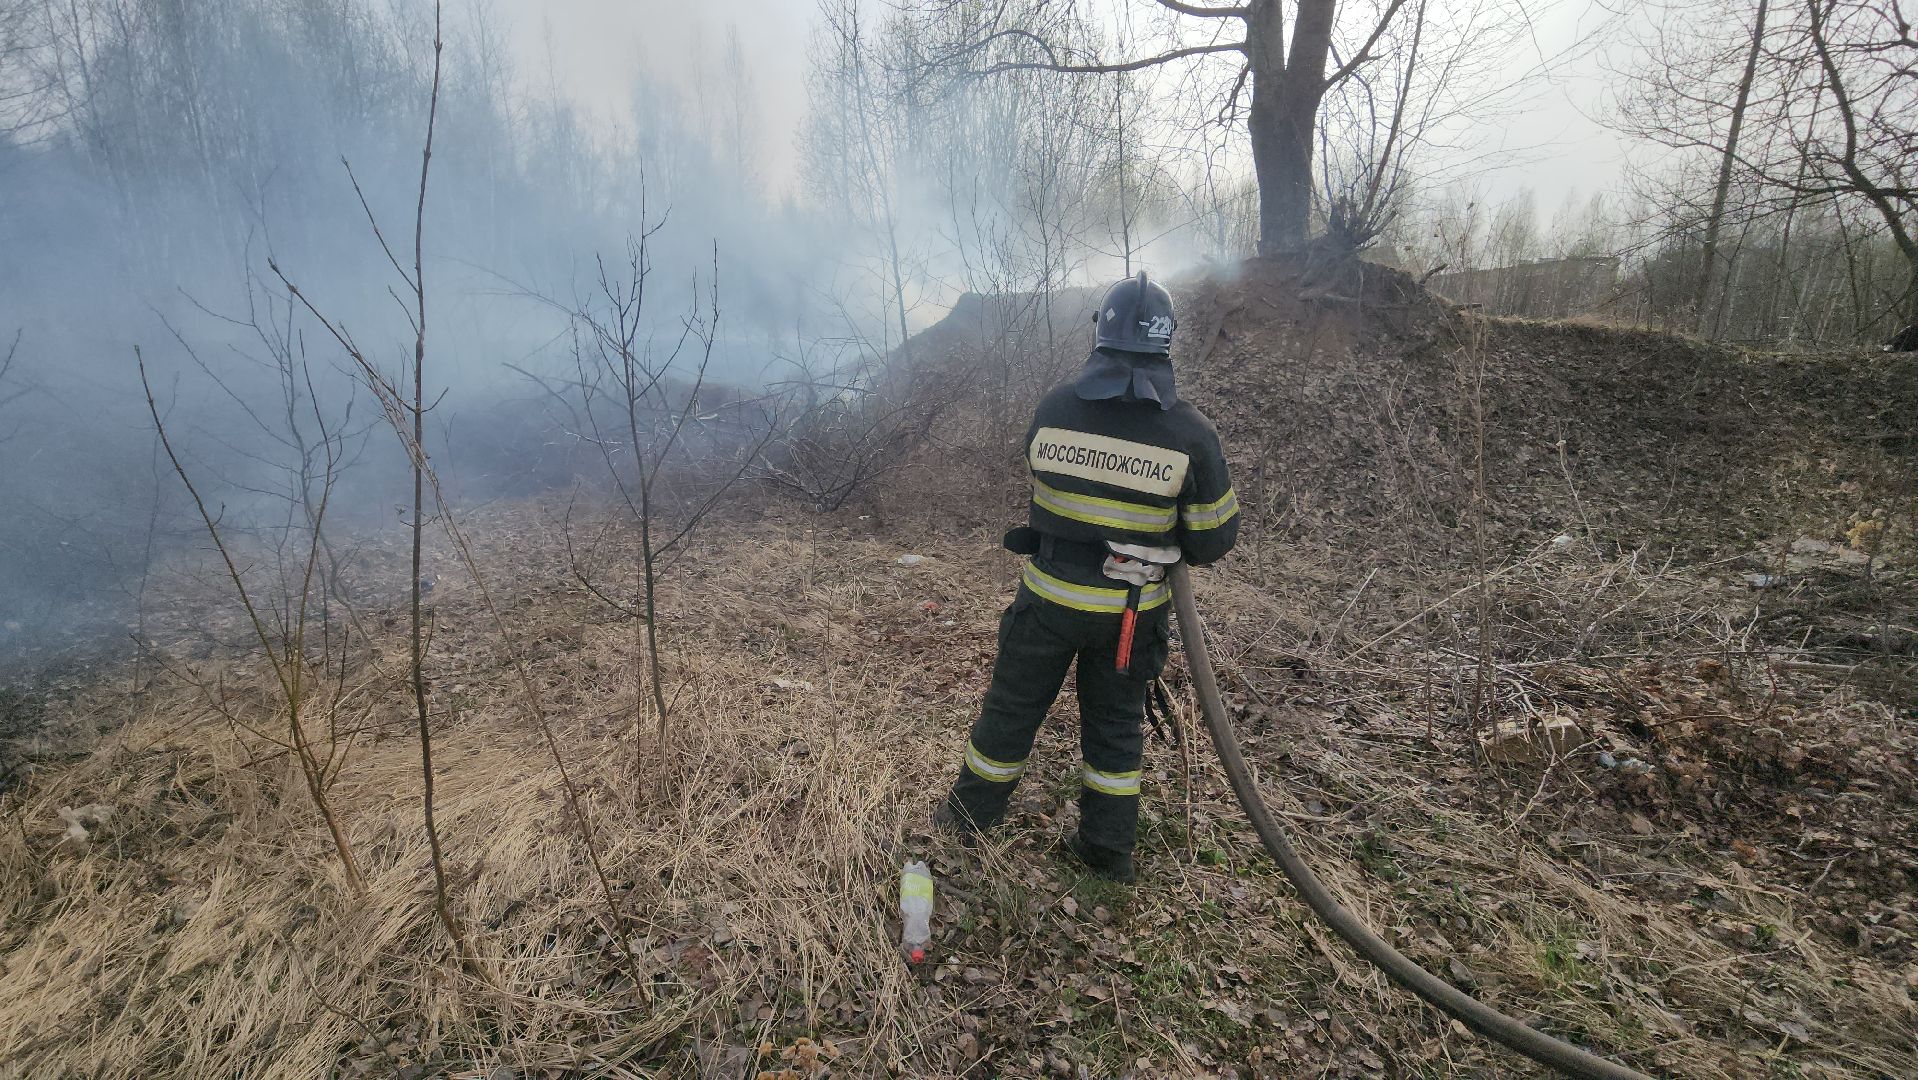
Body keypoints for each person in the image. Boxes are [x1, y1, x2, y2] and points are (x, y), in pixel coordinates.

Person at [934, 271, 1239, 883]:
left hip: (1046, 601)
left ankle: (968, 821)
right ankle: (1106, 852)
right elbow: (1212, 540)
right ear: (1166, 341)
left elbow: (1041, 480)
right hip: (1128, 617)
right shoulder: (1192, 435)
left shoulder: (1055, 407)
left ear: (1099, 333)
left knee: (1011, 710)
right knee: (1115, 730)